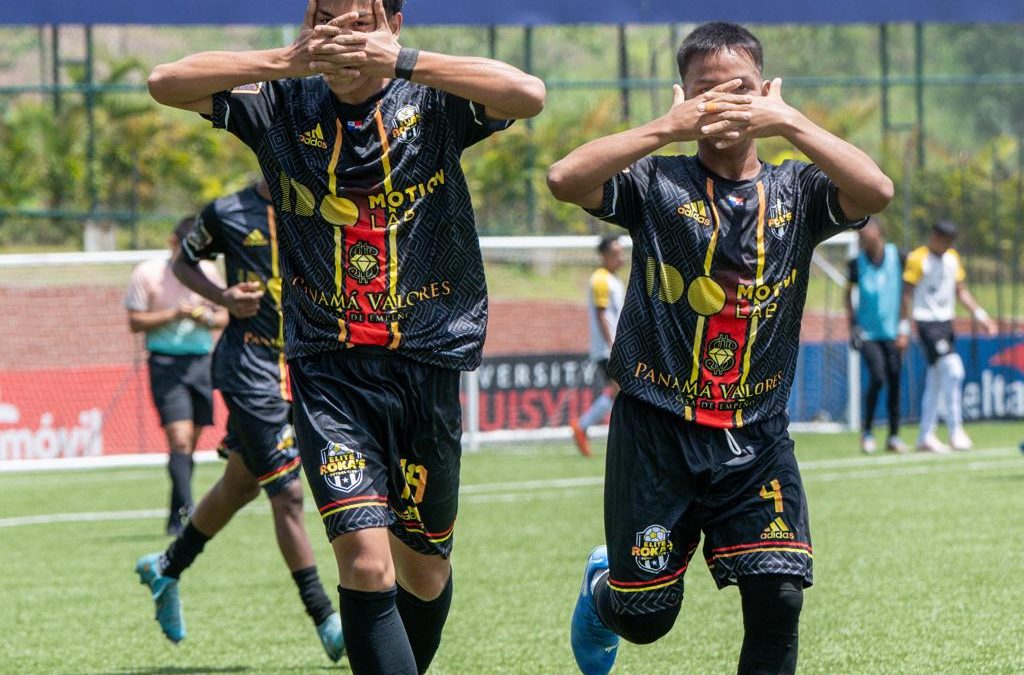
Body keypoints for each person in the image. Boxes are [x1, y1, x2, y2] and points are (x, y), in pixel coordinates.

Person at [146, 1, 545, 672]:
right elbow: (165, 81)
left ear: (392, 21)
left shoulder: (433, 101)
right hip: (327, 369)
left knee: (425, 574)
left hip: (426, 363)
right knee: (366, 560)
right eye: (325, 15)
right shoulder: (280, 103)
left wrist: (406, 61)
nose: (339, 33)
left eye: (358, 19)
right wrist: (285, 59)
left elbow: (529, 95)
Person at [547, 21, 893, 675]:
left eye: (741, 89)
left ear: (766, 91)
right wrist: (663, 128)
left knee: (779, 595)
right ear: (683, 97)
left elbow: (877, 192)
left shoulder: (800, 192)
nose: (726, 104)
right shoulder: (656, 184)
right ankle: (603, 594)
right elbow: (564, 178)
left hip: (755, 436)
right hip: (657, 432)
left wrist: (790, 121)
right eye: (707, 92)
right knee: (646, 618)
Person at [133, 180, 344, 661]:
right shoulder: (227, 212)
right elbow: (182, 263)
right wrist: (224, 297)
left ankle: (167, 566)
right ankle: (326, 618)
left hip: (308, 366)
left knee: (241, 484)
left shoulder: (321, 197)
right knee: (288, 492)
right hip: (250, 368)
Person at [125, 218, 228, 536]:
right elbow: (134, 322)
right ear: (173, 242)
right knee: (179, 438)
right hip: (165, 363)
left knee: (191, 443)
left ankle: (176, 514)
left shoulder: (209, 273)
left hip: (201, 363)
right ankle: (189, 509)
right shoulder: (147, 273)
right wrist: (173, 314)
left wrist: (204, 316)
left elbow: (226, 315)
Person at [903, 220, 997, 453]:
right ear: (934, 236)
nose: (946, 246)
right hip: (927, 324)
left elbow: (961, 291)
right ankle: (956, 431)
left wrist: (981, 316)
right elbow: (906, 295)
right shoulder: (917, 258)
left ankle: (926, 435)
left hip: (946, 323)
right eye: (943, 240)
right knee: (954, 370)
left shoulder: (953, 259)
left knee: (936, 378)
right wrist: (903, 328)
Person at [845, 219, 909, 454]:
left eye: (867, 230)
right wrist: (852, 326)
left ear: (880, 232)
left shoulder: (899, 257)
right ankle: (868, 431)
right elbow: (847, 294)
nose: (862, 234)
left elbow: (906, 295)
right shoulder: (856, 263)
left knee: (894, 382)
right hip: (868, 333)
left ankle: (893, 436)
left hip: (893, 333)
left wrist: (905, 328)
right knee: (878, 377)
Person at [570, 235, 627, 457]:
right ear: (604, 255)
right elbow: (602, 314)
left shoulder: (613, 280)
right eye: (615, 253)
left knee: (619, 392)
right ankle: (583, 426)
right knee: (621, 392)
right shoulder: (601, 279)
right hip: (608, 348)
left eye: (622, 252)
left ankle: (583, 426)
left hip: (611, 347)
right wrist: (613, 346)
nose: (620, 257)